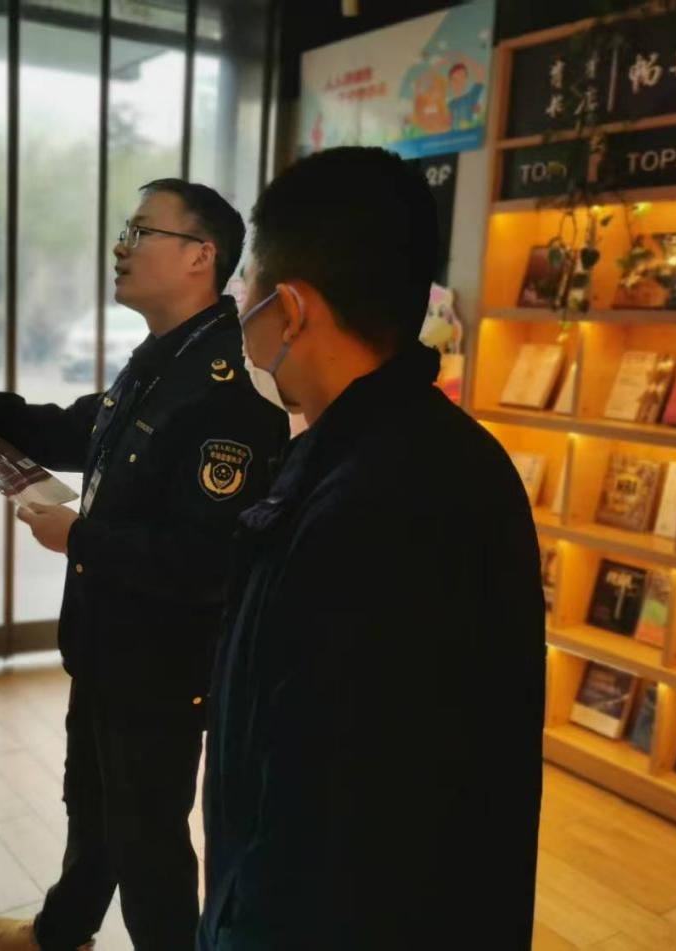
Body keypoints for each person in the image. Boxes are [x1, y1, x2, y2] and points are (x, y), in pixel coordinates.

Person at [0, 179, 289, 951]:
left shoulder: (229, 387)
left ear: (200, 256)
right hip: (107, 638)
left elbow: (205, 561)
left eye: (141, 231)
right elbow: (77, 428)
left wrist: (77, 538)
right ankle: (62, 930)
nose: (121, 245)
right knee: (90, 802)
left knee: (147, 835)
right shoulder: (163, 359)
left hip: (161, 657)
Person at [200, 147, 545, 949]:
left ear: (290, 308)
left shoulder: (372, 509)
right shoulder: (438, 454)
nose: (239, 306)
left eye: (246, 281)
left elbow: (321, 832)